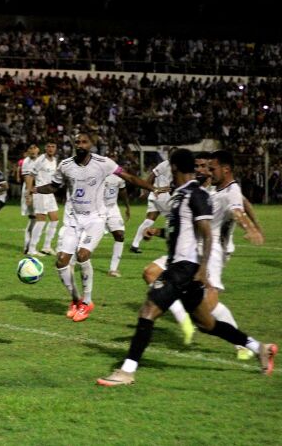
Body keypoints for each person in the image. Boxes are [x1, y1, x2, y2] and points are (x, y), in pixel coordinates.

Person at [97, 149, 276, 386]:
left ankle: (127, 371)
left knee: (148, 311)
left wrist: (202, 269)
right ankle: (259, 348)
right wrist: (158, 232)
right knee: (207, 324)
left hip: (184, 268)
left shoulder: (196, 194)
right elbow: (182, 232)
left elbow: (206, 234)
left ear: (173, 168)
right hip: (180, 265)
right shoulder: (180, 195)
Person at [141, 151, 265, 358]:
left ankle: (243, 344)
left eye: (205, 166)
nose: (200, 169)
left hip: (212, 251)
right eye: (197, 165)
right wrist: (158, 231)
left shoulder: (227, 190)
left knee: (208, 308)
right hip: (189, 251)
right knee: (151, 273)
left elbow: (239, 208)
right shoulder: (201, 190)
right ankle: (185, 321)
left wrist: (251, 228)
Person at [32, 133, 156, 322]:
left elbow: (128, 177)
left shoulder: (103, 162)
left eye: (84, 142)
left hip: (95, 219)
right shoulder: (65, 165)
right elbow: (53, 187)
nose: (80, 144)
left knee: (82, 255)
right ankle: (75, 300)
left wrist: (152, 188)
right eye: (77, 142)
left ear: (91, 144)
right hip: (73, 220)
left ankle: (87, 302)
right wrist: (36, 189)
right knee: (61, 261)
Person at [129, 148, 175, 253]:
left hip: (156, 196)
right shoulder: (165, 165)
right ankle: (173, 245)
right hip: (163, 197)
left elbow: (152, 176)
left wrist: (146, 191)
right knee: (173, 219)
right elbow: (151, 176)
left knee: (149, 220)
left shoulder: (171, 165)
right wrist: (145, 190)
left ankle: (135, 245)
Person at [25, 142, 59, 256]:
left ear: (56, 148)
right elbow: (30, 176)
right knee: (41, 220)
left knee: (55, 219)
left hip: (49, 193)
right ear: (45, 148)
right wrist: (29, 193)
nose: (51, 148)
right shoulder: (41, 159)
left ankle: (47, 247)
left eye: (53, 146)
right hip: (39, 192)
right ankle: (32, 249)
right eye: (48, 146)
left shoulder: (54, 160)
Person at [102, 172, 130, 277]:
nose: (112, 157)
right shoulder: (98, 171)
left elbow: (123, 190)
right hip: (97, 208)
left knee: (120, 235)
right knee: (89, 238)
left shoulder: (119, 175)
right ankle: (72, 259)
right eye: (110, 155)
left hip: (112, 208)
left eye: (114, 155)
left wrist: (127, 206)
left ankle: (113, 269)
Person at [20, 145, 40, 254]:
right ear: (28, 150)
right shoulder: (26, 161)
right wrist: (29, 194)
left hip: (39, 191)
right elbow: (27, 178)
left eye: (34, 148)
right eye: (30, 148)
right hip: (31, 191)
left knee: (37, 219)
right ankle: (29, 246)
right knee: (34, 218)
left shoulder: (41, 160)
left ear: (38, 150)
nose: (32, 150)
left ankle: (30, 246)